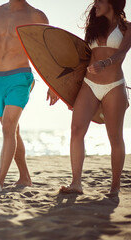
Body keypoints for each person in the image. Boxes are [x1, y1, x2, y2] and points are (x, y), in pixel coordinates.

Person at [0, 0, 59, 193]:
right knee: (12, 130)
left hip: (20, 77)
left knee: (8, 126)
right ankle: (25, 177)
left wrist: (54, 84)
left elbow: (48, 51)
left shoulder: (37, 16)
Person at [60, 0, 130, 196]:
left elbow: (122, 52)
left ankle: (115, 187)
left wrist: (105, 63)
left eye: (99, 0)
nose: (95, 4)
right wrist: (57, 85)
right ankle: (76, 183)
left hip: (114, 86)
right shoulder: (94, 27)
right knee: (76, 129)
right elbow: (81, 58)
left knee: (115, 137)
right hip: (89, 84)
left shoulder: (128, 28)